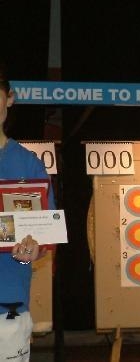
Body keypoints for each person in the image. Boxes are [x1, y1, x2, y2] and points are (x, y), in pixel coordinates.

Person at [0, 63, 55, 362]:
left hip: (8, 315)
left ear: (10, 99)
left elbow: (46, 236)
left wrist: (37, 248)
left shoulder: (29, 164)